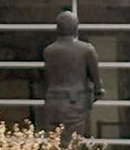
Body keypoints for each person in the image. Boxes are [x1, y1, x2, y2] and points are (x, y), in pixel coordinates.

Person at [41, 10, 102, 142]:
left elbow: (47, 78)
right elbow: (97, 81)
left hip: (53, 103)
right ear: (76, 28)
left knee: (55, 146)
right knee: (72, 146)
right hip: (75, 103)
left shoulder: (49, 51)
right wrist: (97, 92)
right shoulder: (86, 50)